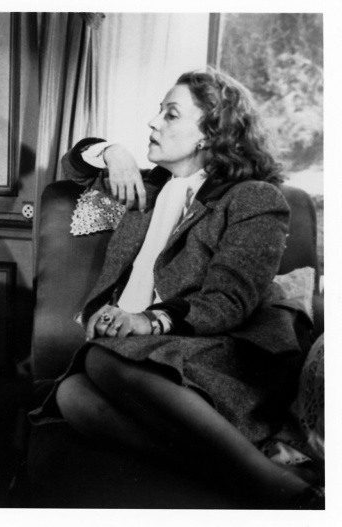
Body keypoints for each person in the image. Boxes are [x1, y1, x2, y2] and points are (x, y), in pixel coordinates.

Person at [29, 69, 323, 509]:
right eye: (158, 112)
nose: (153, 122)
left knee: (100, 358)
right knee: (71, 396)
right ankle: (238, 475)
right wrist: (112, 152)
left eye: (170, 115)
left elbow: (228, 302)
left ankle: (281, 490)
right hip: (147, 353)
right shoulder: (146, 187)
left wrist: (147, 321)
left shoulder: (254, 198)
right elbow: (73, 166)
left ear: (210, 133)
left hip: (223, 351)